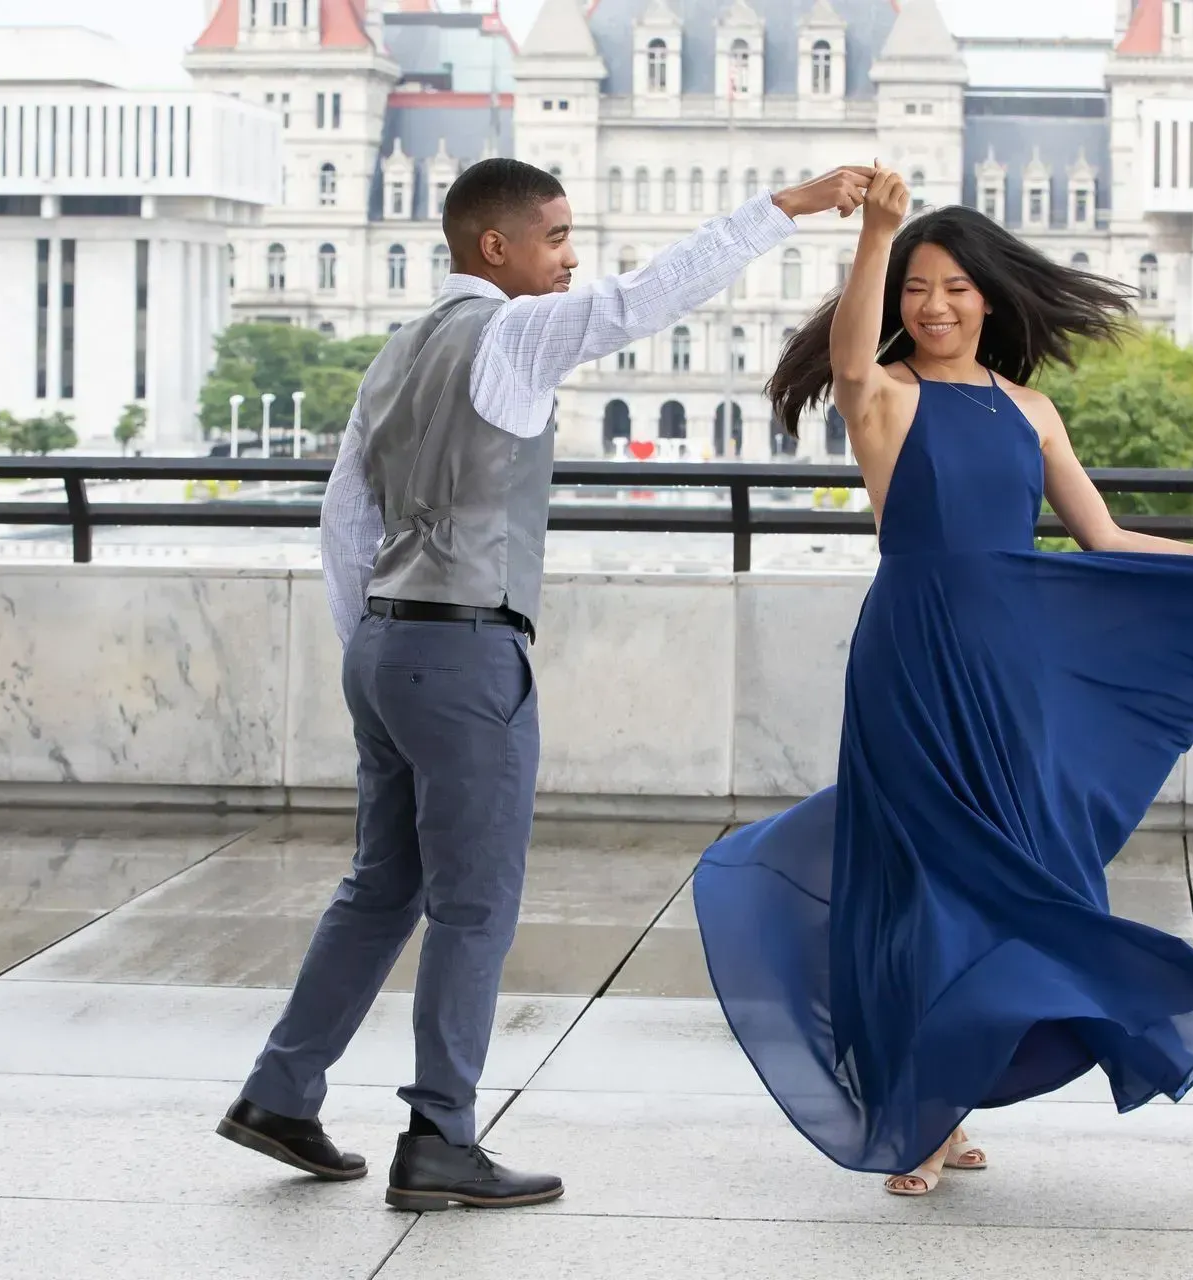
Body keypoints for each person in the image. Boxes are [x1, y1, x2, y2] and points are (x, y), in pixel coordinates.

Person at [692, 166, 1193, 1195]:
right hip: (911, 657)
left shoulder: (1030, 409)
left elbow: (1105, 534)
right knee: (920, 881)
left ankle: (951, 1089)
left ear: (989, 296)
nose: (935, 304)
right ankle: (920, 1106)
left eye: (953, 286)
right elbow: (853, 358)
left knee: (1009, 872)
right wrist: (875, 234)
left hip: (1012, 669)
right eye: (916, 285)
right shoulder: (887, 396)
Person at [217, 157, 874, 1211]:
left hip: (386, 644)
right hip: (465, 645)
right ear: (497, 247)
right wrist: (787, 208)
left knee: (380, 885)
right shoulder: (514, 334)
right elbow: (648, 297)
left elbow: (344, 517)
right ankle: (440, 1134)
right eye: (559, 238)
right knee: (475, 903)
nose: (572, 260)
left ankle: (281, 1091)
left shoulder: (395, 350)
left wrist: (371, 644)